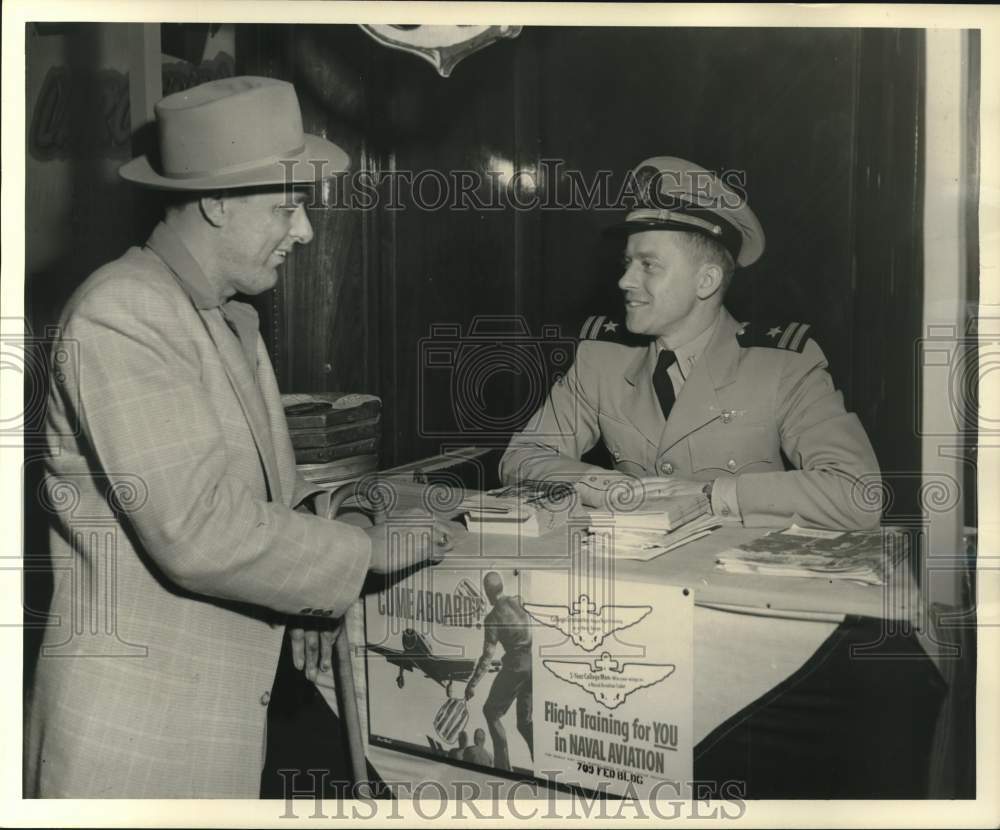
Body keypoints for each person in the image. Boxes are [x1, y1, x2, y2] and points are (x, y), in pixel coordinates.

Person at [25, 76, 460, 798]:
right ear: (216, 203)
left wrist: (344, 530)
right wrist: (363, 554)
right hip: (133, 748)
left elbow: (266, 501)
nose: (305, 232)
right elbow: (198, 532)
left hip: (203, 732)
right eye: (287, 207)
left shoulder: (220, 315)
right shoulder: (123, 311)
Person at [500, 156, 882, 530]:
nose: (625, 281)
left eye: (648, 265)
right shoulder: (601, 358)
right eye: (627, 263)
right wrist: (601, 484)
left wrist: (712, 495)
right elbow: (521, 457)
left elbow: (857, 493)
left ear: (706, 281)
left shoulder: (782, 366)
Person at [464, 572, 533, 771]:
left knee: (491, 712)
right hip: (532, 665)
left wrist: (472, 684)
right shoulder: (519, 601)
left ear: (487, 592)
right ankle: (541, 760)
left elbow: (487, 657)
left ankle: (503, 767)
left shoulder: (492, 618)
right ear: (502, 586)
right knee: (525, 722)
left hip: (515, 666)